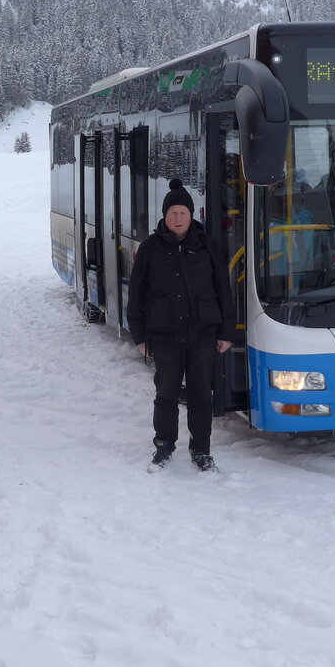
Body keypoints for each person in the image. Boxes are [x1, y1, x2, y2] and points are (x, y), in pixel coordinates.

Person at [126, 179, 237, 472]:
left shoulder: (207, 246)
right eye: (173, 213)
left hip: (202, 334)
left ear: (192, 215)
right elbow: (136, 293)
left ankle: (201, 450)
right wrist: (139, 336)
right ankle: (164, 447)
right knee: (166, 394)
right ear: (164, 216)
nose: (178, 218)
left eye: (183, 213)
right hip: (164, 336)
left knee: (201, 395)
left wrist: (226, 331)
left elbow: (223, 290)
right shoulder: (150, 249)